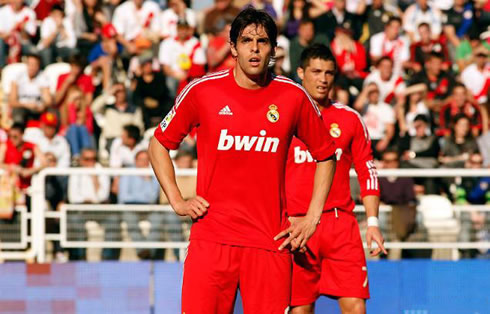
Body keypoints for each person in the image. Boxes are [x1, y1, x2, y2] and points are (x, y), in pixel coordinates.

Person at [148, 8, 336, 313]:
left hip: (269, 243)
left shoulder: (292, 96)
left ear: (274, 50)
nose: (255, 48)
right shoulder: (202, 91)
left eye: (263, 41)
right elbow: (158, 143)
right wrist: (177, 200)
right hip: (211, 239)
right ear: (233, 46)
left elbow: (327, 155)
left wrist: (313, 216)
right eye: (247, 40)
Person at [286, 44, 385, 314]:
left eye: (329, 72)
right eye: (316, 71)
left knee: (355, 306)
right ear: (300, 72)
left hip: (341, 225)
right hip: (297, 225)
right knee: (300, 309)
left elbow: (368, 171)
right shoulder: (283, 119)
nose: (323, 79)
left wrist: (373, 223)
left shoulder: (350, 119)